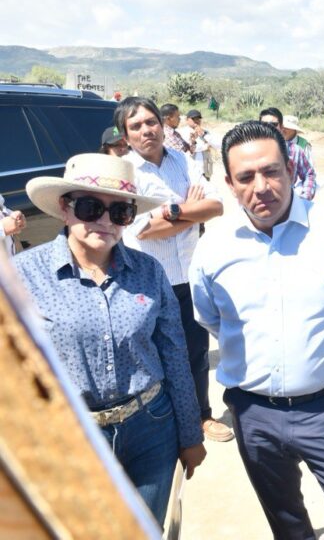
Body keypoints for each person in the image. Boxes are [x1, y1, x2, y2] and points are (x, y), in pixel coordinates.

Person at [189, 121, 324, 539]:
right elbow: (209, 317)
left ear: (291, 170)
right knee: (286, 521)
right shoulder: (213, 248)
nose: (261, 186)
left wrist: (323, 353)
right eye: (245, 176)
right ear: (229, 183)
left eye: (271, 171)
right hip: (253, 413)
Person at [12, 153, 206, 527]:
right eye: (90, 207)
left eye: (119, 212)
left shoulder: (149, 271)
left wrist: (190, 434)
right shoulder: (24, 275)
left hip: (151, 427)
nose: (104, 221)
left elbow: (175, 355)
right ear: (65, 209)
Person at [114, 97, 231, 442]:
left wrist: (171, 213)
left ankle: (201, 417)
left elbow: (216, 206)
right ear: (125, 134)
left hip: (189, 276)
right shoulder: (125, 172)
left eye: (151, 122)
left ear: (162, 125)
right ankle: (164, 418)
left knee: (194, 351)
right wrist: (189, 208)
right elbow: (139, 230)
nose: (146, 130)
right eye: (136, 126)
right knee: (152, 351)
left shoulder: (182, 160)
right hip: (149, 278)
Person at [259, 107, 317, 200]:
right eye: (264, 124)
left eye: (273, 124)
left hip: (288, 201)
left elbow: (309, 174)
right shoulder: (250, 151)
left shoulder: (296, 150)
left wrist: (305, 198)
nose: (269, 128)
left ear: (281, 127)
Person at [178, 109, 219, 180]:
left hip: (205, 169)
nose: (196, 121)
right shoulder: (182, 132)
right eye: (194, 119)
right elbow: (191, 147)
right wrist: (206, 146)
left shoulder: (205, 132)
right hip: (191, 170)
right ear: (187, 120)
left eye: (198, 119)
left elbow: (217, 144)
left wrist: (203, 135)